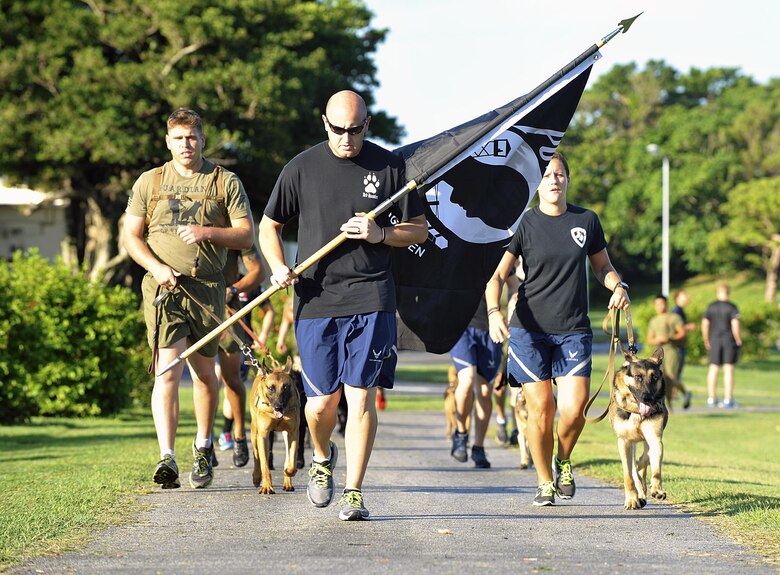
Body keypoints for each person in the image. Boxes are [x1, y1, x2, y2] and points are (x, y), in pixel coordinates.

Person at [258, 90, 427, 521]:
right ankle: (320, 457)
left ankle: (353, 490)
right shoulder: (302, 167)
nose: (346, 138)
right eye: (338, 129)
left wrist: (380, 235)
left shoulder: (391, 168)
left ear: (367, 125)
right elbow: (269, 225)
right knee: (318, 405)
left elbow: (419, 231)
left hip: (372, 296)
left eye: (354, 129)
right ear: (324, 123)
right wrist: (278, 266)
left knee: (361, 396)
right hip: (316, 298)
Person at [485, 151, 630, 507]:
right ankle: (545, 481)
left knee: (575, 409)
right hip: (529, 332)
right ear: (538, 183)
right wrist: (494, 311)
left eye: (559, 174)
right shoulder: (523, 223)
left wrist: (618, 286)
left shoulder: (587, 220)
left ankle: (563, 459)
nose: (553, 180)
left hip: (574, 330)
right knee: (541, 410)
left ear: (567, 180)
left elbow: (602, 268)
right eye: (547, 175)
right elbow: (497, 277)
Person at [123, 108, 254, 489]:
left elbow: (246, 236)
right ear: (168, 141)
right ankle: (167, 456)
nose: (186, 144)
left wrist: (207, 231)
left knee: (203, 372)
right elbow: (132, 236)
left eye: (192, 137)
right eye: (178, 138)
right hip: (164, 289)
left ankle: (203, 444)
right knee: (167, 371)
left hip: (208, 289)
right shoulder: (151, 181)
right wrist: (155, 266)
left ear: (202, 139)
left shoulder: (224, 181)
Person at [215, 245, 269, 466]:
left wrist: (262, 338)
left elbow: (268, 309)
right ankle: (209, 440)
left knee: (231, 381)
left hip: (236, 333)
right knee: (211, 379)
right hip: (205, 319)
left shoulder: (247, 283)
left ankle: (235, 433)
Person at [449, 297, 503, 468]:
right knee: (467, 380)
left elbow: (513, 285)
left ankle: (478, 447)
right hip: (460, 327)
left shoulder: (498, 268)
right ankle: (460, 433)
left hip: (489, 328)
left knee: (485, 391)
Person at [646, 294, 690, 409]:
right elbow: (650, 339)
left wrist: (670, 338)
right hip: (658, 352)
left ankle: (678, 399)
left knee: (670, 378)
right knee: (661, 378)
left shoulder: (674, 317)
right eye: (657, 304)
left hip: (671, 350)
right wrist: (657, 340)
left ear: (666, 304)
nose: (660, 306)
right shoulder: (653, 321)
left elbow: (682, 333)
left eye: (662, 303)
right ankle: (673, 402)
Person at [702, 284, 742, 408]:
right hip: (728, 340)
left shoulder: (711, 307)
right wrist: (738, 339)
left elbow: (705, 324)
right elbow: (735, 324)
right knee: (728, 369)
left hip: (714, 339)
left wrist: (706, 338)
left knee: (713, 368)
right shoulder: (732, 307)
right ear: (728, 293)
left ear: (718, 293)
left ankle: (711, 398)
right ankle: (728, 399)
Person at [671, 289, 696, 407]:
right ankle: (679, 394)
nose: (687, 297)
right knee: (673, 373)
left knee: (675, 373)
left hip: (679, 347)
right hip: (675, 348)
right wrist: (687, 327)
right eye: (684, 296)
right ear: (677, 298)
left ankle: (675, 394)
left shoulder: (680, 311)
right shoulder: (676, 311)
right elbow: (675, 328)